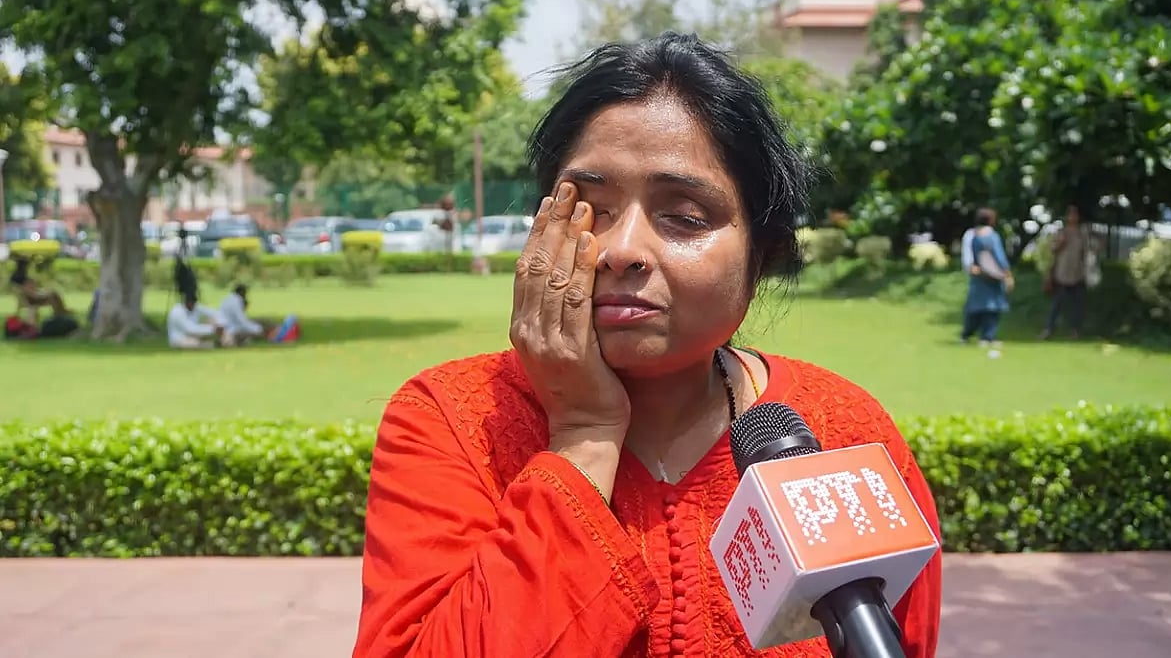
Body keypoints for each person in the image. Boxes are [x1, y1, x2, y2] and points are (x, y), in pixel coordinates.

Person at [352, 32, 942, 658]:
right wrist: (583, 434)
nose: (622, 250)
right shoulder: (453, 420)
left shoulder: (846, 434)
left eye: (684, 217)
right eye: (588, 208)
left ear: (761, 256)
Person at [960, 208, 1014, 349]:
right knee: (993, 308)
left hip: (979, 275)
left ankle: (966, 335)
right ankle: (987, 337)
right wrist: (1007, 274)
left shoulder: (974, 236)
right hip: (993, 276)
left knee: (976, 307)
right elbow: (999, 256)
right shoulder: (992, 236)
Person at [1040, 204, 1095, 340]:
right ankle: (1049, 329)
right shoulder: (1061, 232)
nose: (1073, 217)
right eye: (1070, 215)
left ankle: (1075, 330)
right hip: (1062, 272)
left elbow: (1086, 252)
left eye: (1075, 215)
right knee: (1057, 303)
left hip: (1078, 272)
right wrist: (1060, 244)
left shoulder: (1082, 233)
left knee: (1078, 304)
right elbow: (1052, 250)